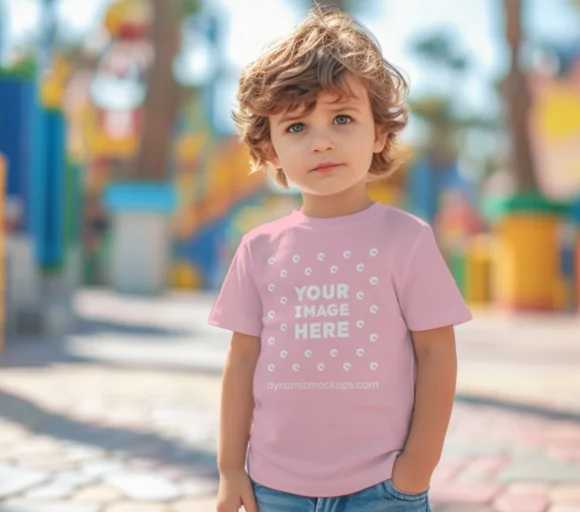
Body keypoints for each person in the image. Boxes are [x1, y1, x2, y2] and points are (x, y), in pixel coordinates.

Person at [208, 5, 472, 511]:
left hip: (384, 487)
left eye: (343, 118)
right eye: (296, 128)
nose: (322, 140)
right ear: (269, 151)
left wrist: (417, 467)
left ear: (378, 132)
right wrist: (228, 468)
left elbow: (436, 354)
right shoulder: (257, 249)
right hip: (274, 487)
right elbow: (241, 362)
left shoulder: (407, 239)